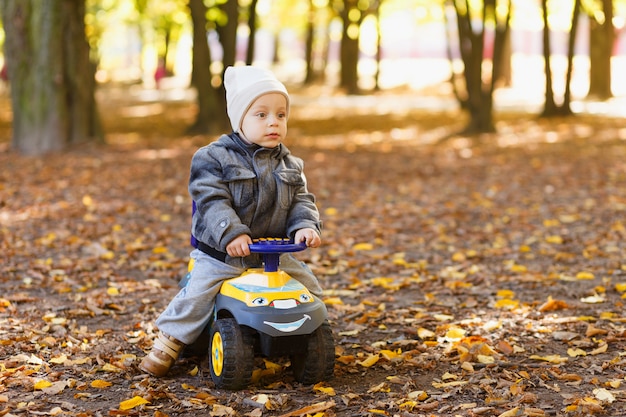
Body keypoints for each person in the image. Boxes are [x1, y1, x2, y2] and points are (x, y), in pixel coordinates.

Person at [139, 65, 323, 377]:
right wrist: (232, 233)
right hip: (222, 253)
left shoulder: (291, 163)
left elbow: (301, 200)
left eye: (281, 114)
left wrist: (305, 225)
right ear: (240, 119)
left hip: (272, 256)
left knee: (310, 291)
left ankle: (308, 339)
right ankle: (169, 340)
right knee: (198, 294)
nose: (273, 122)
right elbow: (211, 201)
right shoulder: (213, 157)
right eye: (261, 115)